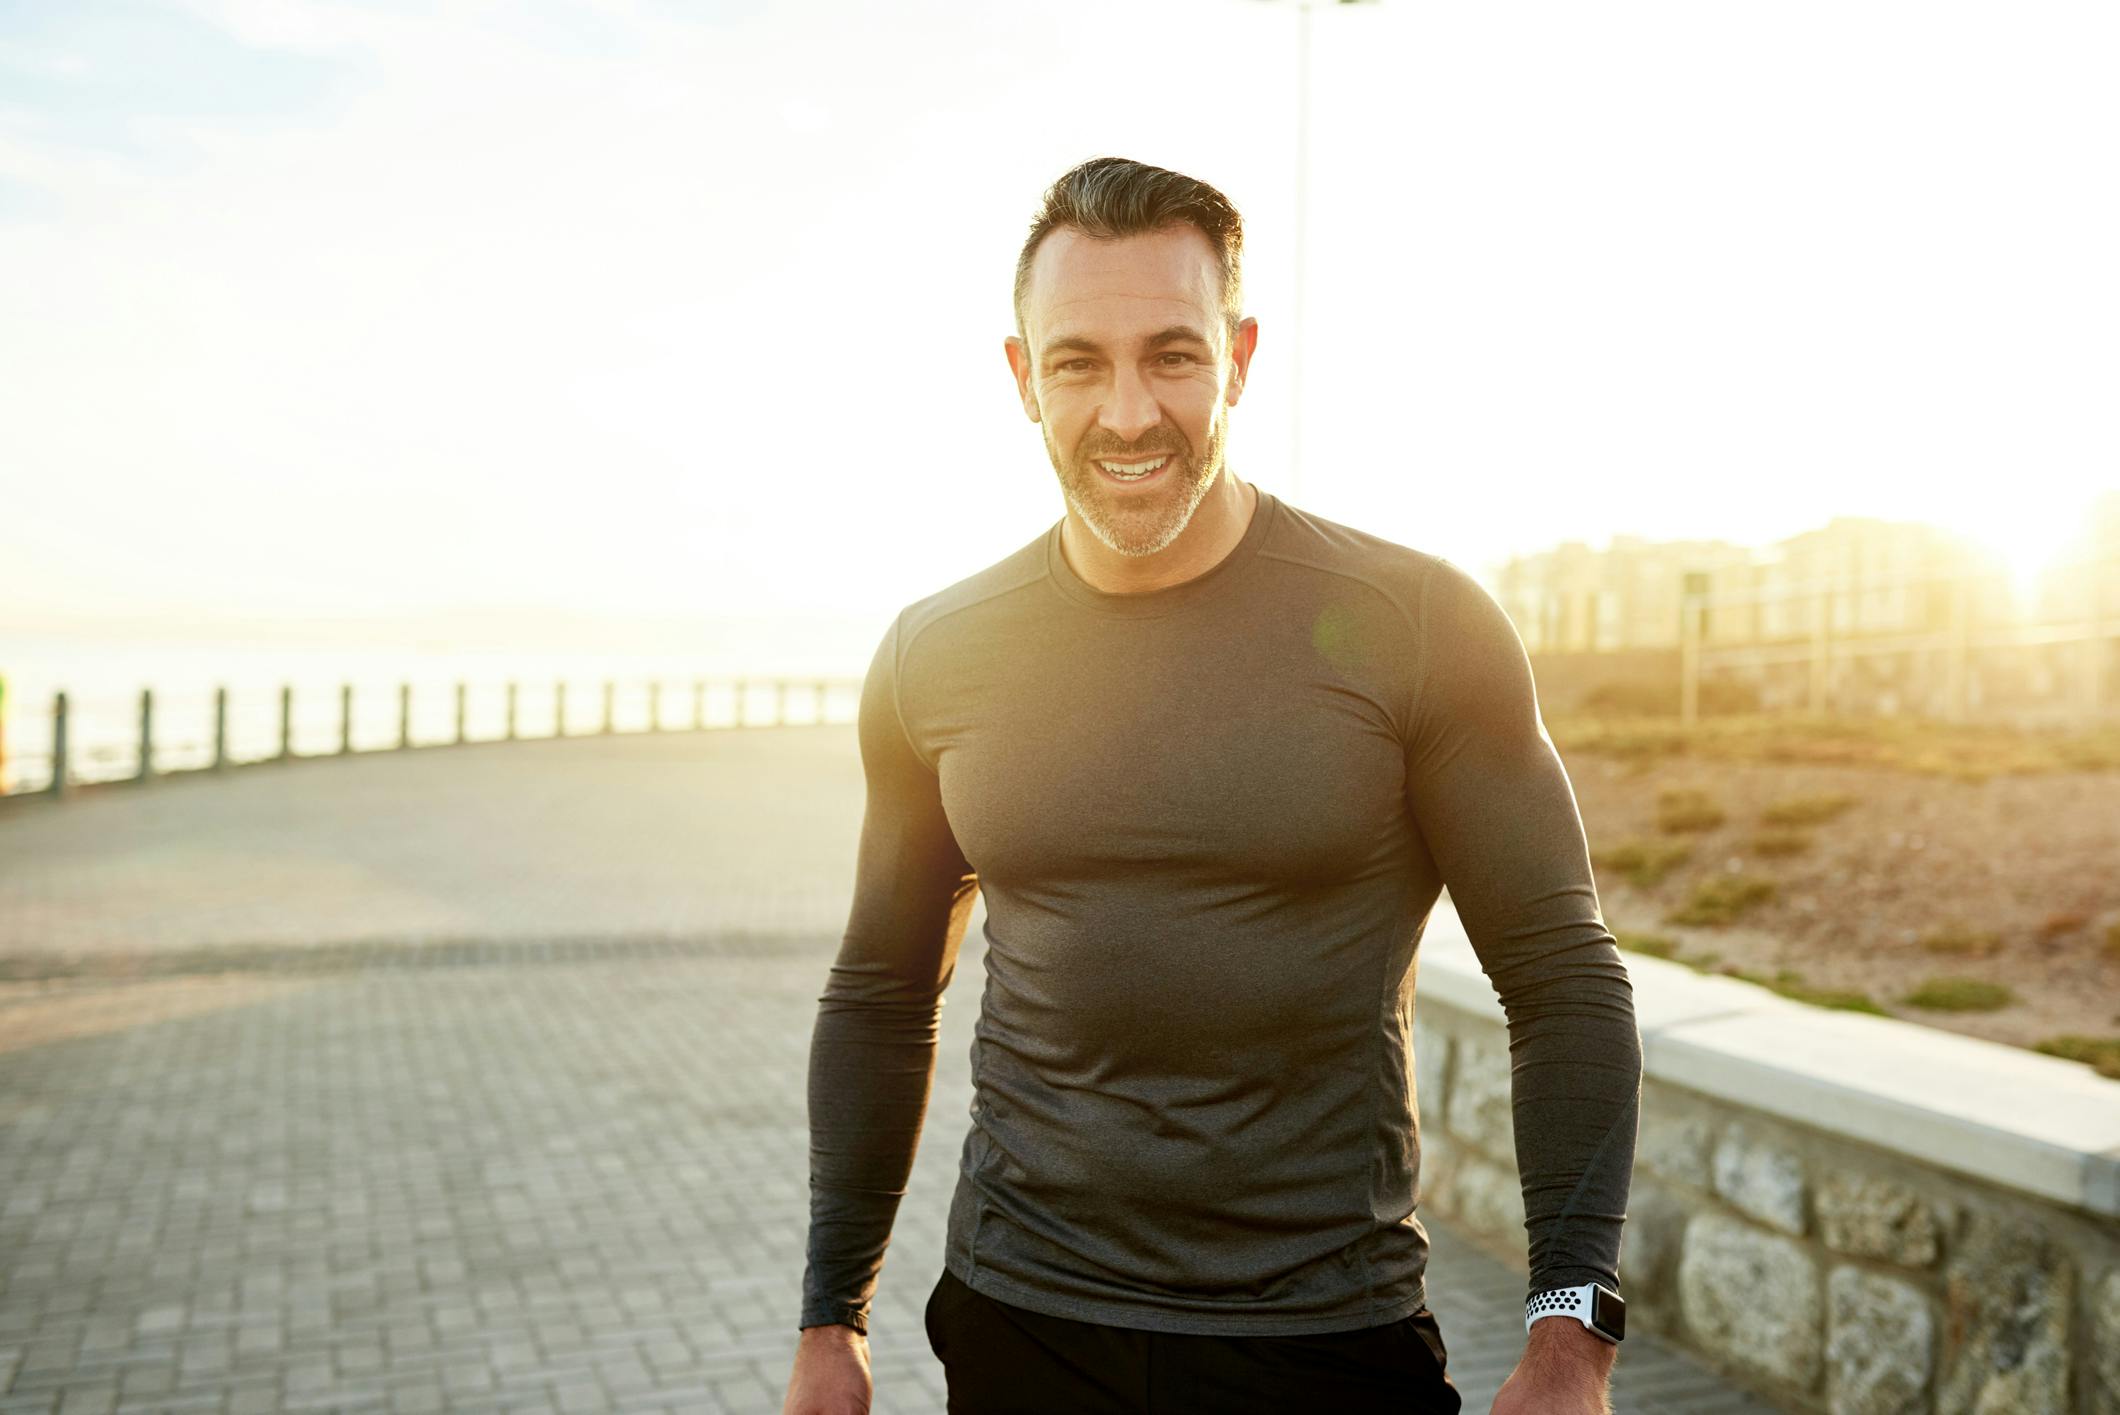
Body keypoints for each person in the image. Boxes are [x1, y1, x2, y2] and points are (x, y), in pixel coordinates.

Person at [782, 156, 1643, 1415]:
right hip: (1021, 1325)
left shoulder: (1416, 623)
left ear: (1237, 358)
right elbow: (879, 988)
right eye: (1078, 362)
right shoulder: (935, 651)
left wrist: (1570, 1336)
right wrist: (830, 1316)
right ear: (1022, 378)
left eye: (1171, 355)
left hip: (1320, 1337)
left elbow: (1561, 977)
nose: (1127, 411)